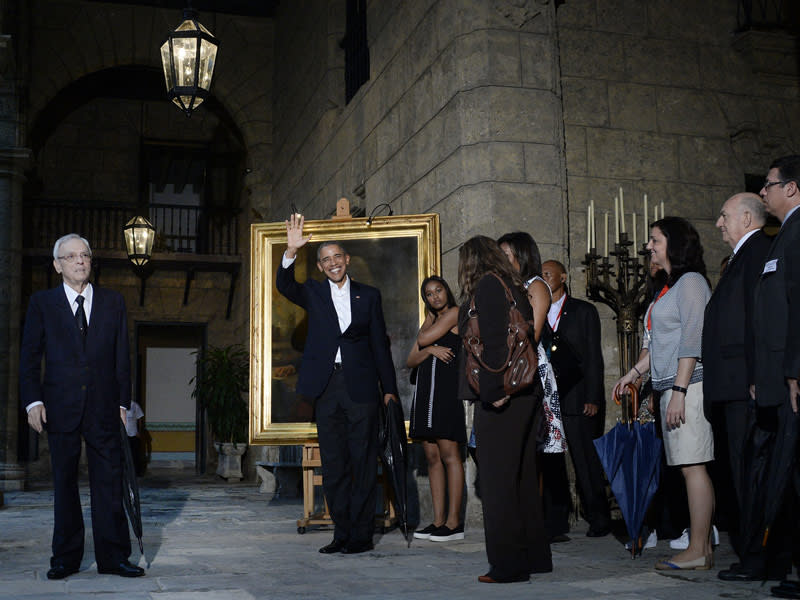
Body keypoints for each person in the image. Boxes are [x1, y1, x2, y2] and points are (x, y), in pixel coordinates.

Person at [19, 233, 143, 579]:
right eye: (71, 256)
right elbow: (29, 357)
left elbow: (123, 357)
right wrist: (33, 401)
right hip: (60, 407)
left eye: (85, 255)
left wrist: (123, 403)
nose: (80, 261)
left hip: (105, 408)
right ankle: (65, 558)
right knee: (64, 484)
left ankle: (114, 557)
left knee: (109, 483)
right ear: (58, 265)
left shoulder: (113, 301)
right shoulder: (42, 304)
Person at [276, 214, 398, 555]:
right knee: (333, 464)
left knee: (362, 461)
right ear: (320, 266)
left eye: (337, 258)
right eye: (326, 260)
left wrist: (388, 388)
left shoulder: (369, 296)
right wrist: (291, 251)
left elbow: (379, 344)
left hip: (361, 388)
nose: (333, 263)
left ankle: (361, 536)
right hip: (326, 387)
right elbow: (285, 286)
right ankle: (341, 533)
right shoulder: (313, 292)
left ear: (346, 260)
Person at [614, 216, 714, 571]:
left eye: (654, 240)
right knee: (685, 467)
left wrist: (679, 391)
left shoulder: (691, 283)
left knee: (693, 466)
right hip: (668, 386)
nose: (648, 247)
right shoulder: (666, 288)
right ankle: (699, 547)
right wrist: (632, 374)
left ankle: (700, 548)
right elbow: (655, 344)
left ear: (673, 243)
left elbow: (692, 339)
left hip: (688, 386)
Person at [720, 156, 800, 596]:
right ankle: (777, 562)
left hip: (789, 381)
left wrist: (793, 371)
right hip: (773, 380)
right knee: (781, 479)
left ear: (791, 188)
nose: (764, 191)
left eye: (769, 184)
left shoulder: (796, 234)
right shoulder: (783, 236)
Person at [458, 235, 552, 583]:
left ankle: (508, 566)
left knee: (497, 481)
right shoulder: (514, 285)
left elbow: (496, 342)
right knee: (523, 477)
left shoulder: (487, 285)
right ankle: (535, 557)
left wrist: (493, 392)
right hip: (525, 391)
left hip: (504, 393)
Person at [700, 193, 770, 551]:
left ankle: (754, 552)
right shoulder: (744, 255)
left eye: (724, 215)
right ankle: (748, 549)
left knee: (748, 472)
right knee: (736, 471)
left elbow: (758, 320)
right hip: (729, 386)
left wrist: (757, 376)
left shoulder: (757, 252)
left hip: (743, 384)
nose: (718, 223)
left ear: (745, 218)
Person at [498, 232, 568, 542]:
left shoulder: (536, 286)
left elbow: (533, 334)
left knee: (533, 452)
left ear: (522, 256)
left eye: (507, 254)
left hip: (531, 370)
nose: (502, 260)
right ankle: (521, 520)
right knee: (516, 452)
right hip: (509, 368)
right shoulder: (508, 287)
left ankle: (534, 525)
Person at [541, 259, 612, 538]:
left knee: (585, 460)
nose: (544, 278)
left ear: (563, 277)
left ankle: (599, 517)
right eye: (541, 274)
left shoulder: (583, 311)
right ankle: (556, 523)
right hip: (549, 399)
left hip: (577, 396)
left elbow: (594, 357)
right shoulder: (538, 310)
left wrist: (593, 397)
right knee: (552, 462)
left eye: (548, 273)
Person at [407, 276, 466, 542]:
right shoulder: (431, 321)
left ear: (447, 291)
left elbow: (423, 338)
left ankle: (454, 523)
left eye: (438, 291)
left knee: (449, 454)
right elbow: (410, 360)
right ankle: (438, 521)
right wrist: (430, 350)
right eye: (429, 295)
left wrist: (426, 342)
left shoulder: (454, 313)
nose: (435, 297)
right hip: (425, 395)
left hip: (445, 394)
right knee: (432, 458)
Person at [125, 400, 146, 477]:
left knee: (135, 454)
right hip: (124, 434)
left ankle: (137, 472)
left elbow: (140, 417)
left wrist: (139, 431)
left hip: (133, 434)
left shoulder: (134, 405)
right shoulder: (119, 405)